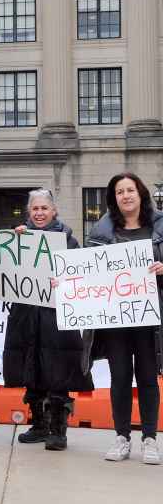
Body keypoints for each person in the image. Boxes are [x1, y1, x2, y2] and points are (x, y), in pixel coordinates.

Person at [2, 189, 94, 451]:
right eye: (35, 209)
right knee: (31, 367)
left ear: (54, 211)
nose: (40, 213)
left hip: (56, 316)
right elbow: (1, 270)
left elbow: (79, 277)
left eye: (44, 208)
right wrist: (7, 245)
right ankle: (39, 424)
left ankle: (58, 430)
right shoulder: (17, 238)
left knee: (58, 370)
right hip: (26, 314)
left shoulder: (69, 241)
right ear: (29, 212)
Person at [85, 173, 163, 464]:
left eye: (130, 190)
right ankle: (121, 437)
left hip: (149, 318)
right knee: (119, 378)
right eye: (120, 192)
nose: (126, 195)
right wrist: (66, 283)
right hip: (114, 319)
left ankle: (150, 439)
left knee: (147, 379)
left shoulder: (160, 227)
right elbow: (85, 272)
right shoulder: (100, 232)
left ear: (141, 194)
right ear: (113, 198)